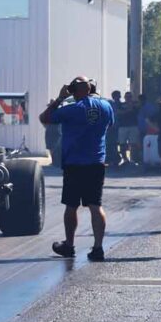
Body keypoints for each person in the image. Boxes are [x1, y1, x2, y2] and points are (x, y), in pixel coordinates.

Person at [39, 76, 114, 262]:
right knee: (96, 206)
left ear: (74, 90)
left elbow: (44, 118)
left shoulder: (71, 109)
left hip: (74, 163)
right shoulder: (106, 107)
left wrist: (59, 99)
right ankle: (98, 248)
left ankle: (70, 245)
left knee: (71, 206)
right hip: (96, 162)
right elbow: (109, 124)